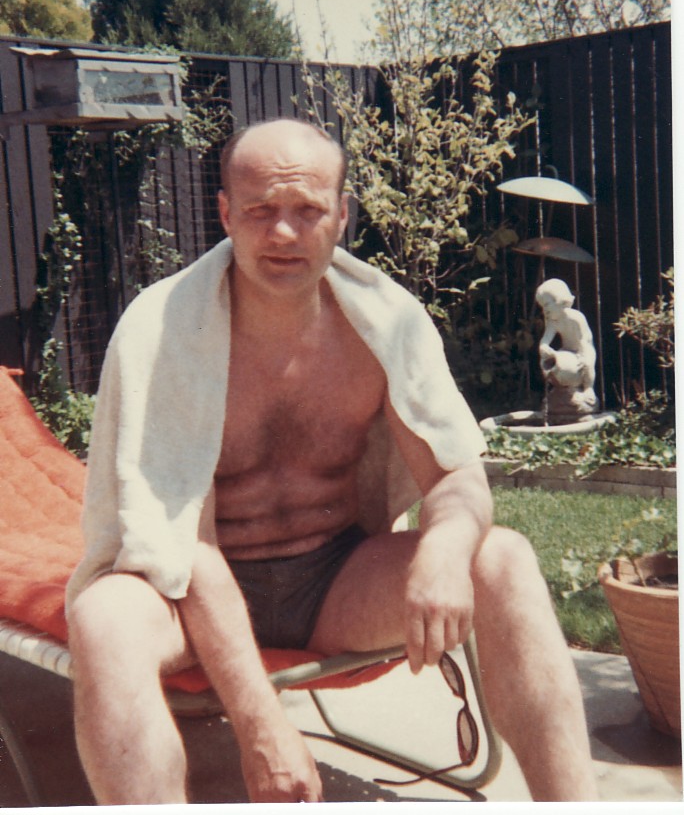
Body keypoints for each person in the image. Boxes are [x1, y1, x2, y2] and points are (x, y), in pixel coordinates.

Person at [66, 118, 598, 804]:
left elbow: (455, 474)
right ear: (225, 213)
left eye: (308, 210)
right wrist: (262, 723)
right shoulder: (161, 328)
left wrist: (443, 549)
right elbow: (184, 545)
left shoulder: (384, 320)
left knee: (504, 560)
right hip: (185, 593)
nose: (283, 233)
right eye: (260, 210)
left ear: (342, 214)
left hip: (333, 580)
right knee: (103, 620)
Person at [536, 278, 599, 420]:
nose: (544, 310)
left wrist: (584, 355)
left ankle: (589, 389)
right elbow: (545, 340)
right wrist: (544, 348)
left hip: (584, 349)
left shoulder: (576, 317)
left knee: (588, 364)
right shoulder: (553, 322)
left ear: (560, 300)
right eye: (542, 306)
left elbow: (584, 339)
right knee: (556, 365)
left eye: (547, 305)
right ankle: (562, 391)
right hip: (567, 351)